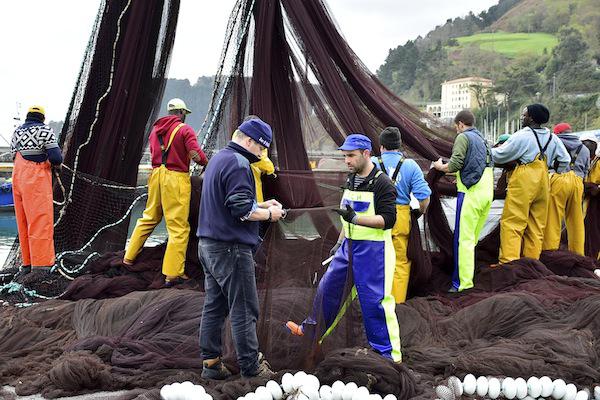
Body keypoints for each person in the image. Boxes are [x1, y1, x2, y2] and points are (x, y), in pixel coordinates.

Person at [286, 134, 402, 363]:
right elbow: (346, 218)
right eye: (345, 156)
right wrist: (339, 243)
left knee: (374, 303)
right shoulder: (351, 180)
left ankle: (388, 356)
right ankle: (310, 334)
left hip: (374, 251)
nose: (347, 160)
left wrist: (357, 219)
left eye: (351, 156)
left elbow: (388, 220)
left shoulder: (383, 183)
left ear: (366, 153)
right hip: (348, 247)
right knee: (327, 289)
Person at [197, 117, 284, 379]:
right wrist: (270, 216)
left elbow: (232, 203)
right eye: (261, 148)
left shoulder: (219, 159)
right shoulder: (240, 164)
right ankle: (252, 368)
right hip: (230, 249)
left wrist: (263, 204)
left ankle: (210, 365)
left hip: (208, 246)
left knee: (214, 306)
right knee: (245, 308)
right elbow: (241, 210)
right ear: (249, 141)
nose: (261, 154)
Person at [123, 98, 207, 286]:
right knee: (178, 227)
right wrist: (206, 163)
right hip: (175, 178)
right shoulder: (185, 130)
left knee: (149, 216)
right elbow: (195, 154)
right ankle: (172, 273)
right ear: (182, 113)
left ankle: (128, 257)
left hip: (156, 176)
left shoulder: (155, 131)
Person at [491, 104, 570, 264]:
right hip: (544, 180)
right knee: (536, 225)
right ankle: (532, 263)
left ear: (531, 118)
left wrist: (485, 151)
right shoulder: (552, 137)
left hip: (524, 178)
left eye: (524, 115)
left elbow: (500, 155)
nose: (522, 118)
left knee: (513, 222)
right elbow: (565, 160)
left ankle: (509, 264)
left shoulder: (522, 135)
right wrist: (556, 169)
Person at [433, 110, 494, 292]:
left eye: (456, 127)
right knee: (472, 240)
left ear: (460, 124)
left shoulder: (463, 137)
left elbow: (456, 162)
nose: (456, 130)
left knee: (463, 241)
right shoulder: (483, 140)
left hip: (471, 195)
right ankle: (469, 276)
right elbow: (476, 164)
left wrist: (440, 167)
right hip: (486, 193)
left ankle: (462, 284)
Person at [370, 127, 431, 303]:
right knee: (399, 262)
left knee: (374, 259)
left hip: (375, 216)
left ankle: (374, 301)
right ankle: (396, 305)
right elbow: (424, 197)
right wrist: (420, 211)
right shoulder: (410, 165)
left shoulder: (372, 162)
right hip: (400, 216)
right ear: (399, 146)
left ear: (381, 146)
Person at [10, 105, 63, 274]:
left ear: (27, 117)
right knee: (40, 221)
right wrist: (56, 165)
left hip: (18, 179)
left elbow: (14, 154)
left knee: (23, 221)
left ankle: (27, 263)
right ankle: (42, 266)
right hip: (35, 181)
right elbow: (56, 157)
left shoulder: (17, 132)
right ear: (42, 117)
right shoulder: (44, 131)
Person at [542, 123, 589, 255]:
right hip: (578, 182)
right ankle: (578, 254)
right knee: (576, 221)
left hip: (559, 179)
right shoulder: (584, 148)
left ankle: (550, 253)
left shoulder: (554, 143)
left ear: (557, 134)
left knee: (553, 219)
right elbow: (586, 170)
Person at [581, 131, 600, 259]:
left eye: (590, 145)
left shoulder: (598, 162)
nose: (587, 148)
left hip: (596, 202)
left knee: (594, 231)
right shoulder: (580, 161)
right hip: (587, 201)